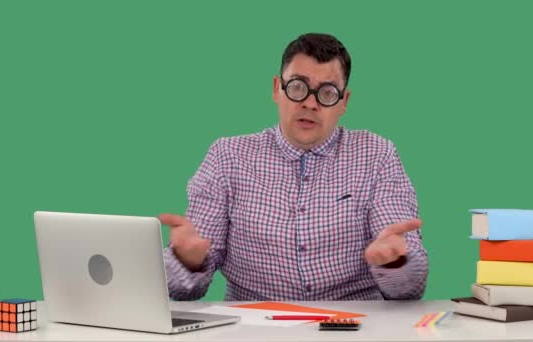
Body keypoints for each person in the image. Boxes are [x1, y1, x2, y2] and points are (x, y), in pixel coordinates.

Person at [160, 33, 428, 301]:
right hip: (254, 328)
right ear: (277, 88)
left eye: (327, 92)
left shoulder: (377, 155)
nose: (310, 103)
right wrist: (186, 261)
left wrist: (394, 262)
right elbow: (182, 289)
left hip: (354, 326)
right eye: (298, 87)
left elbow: (410, 288)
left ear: (344, 102)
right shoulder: (227, 156)